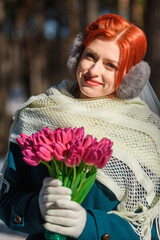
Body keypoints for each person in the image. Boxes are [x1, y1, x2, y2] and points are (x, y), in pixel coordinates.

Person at [0, 13, 160, 240]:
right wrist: (37, 208)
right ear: (77, 55)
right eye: (90, 56)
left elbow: (151, 226)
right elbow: (6, 201)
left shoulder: (145, 134)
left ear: (128, 77)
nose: (94, 71)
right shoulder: (37, 115)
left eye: (110, 65)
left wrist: (92, 226)